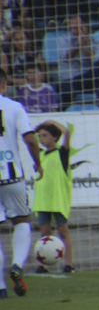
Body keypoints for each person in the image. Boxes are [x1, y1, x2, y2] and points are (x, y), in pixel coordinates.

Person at [0, 67, 42, 297]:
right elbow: (30, 139)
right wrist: (38, 163)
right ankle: (17, 264)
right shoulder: (14, 107)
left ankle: (0, 288)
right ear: (4, 85)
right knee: (22, 220)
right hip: (12, 175)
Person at [32, 120, 75, 274]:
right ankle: (42, 265)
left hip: (57, 200)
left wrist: (51, 122)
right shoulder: (40, 155)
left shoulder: (62, 153)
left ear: (55, 137)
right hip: (42, 200)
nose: (41, 138)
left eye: (45, 135)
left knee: (63, 232)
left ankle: (68, 264)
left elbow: (67, 133)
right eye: (40, 136)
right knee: (44, 233)